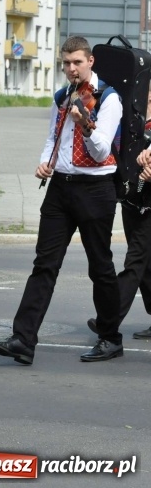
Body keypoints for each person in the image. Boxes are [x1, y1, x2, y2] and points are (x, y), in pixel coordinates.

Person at [0, 37, 123, 364]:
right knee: (44, 264)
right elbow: (53, 135)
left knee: (100, 265)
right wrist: (45, 161)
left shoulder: (108, 98)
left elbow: (102, 149)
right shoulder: (62, 96)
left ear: (90, 61)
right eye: (66, 63)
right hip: (60, 187)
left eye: (77, 62)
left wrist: (85, 124)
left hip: (96, 188)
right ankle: (23, 338)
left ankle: (110, 336)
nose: (71, 68)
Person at [88, 84, 151, 340]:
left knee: (134, 262)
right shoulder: (131, 115)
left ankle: (108, 320)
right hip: (132, 196)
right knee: (146, 267)